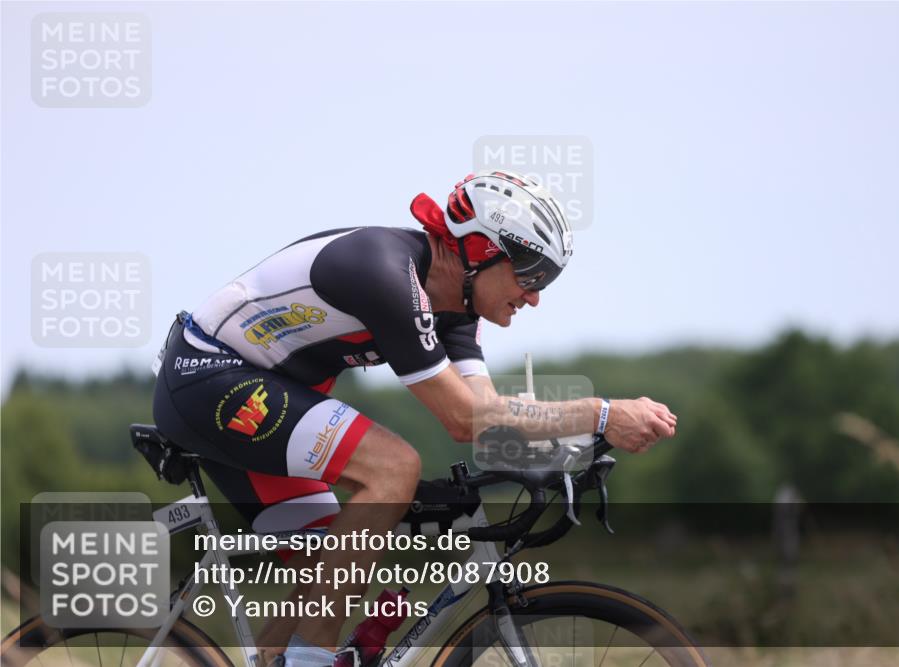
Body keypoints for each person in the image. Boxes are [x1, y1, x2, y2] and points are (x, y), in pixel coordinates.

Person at [151, 170, 678, 667]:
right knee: (392, 468)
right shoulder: (385, 271)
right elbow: (464, 417)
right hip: (206, 377)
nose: (536, 296)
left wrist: (563, 453)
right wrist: (600, 412)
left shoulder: (455, 313)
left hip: (261, 393)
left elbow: (490, 418)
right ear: (480, 251)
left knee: (325, 579)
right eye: (531, 274)